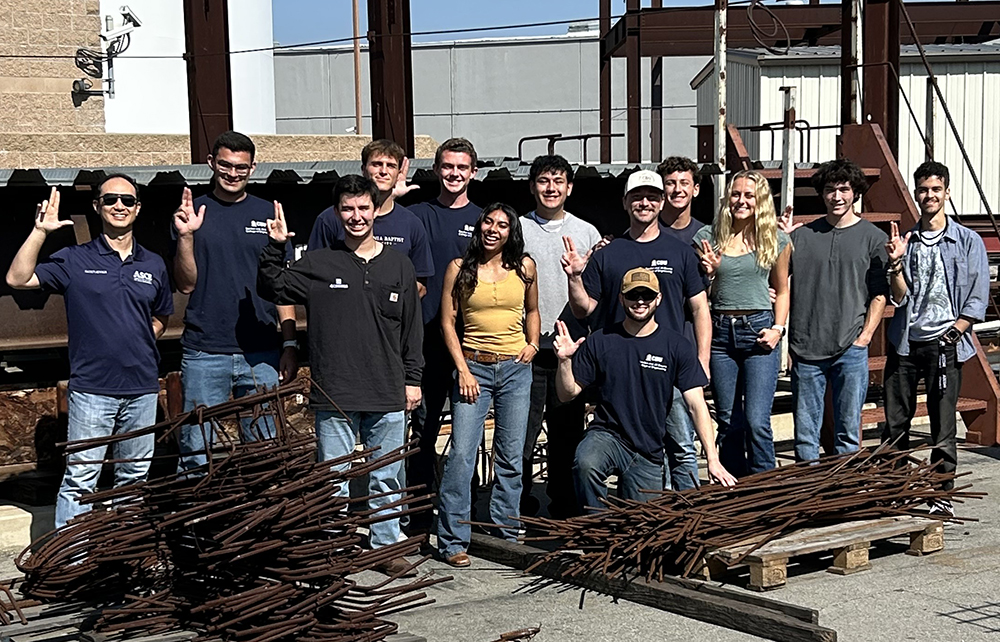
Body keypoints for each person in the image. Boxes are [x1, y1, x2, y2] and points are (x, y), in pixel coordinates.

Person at [257, 175, 423, 576]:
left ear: (375, 210)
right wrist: (276, 246)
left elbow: (411, 329)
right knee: (333, 478)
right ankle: (334, 545)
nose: (356, 216)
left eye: (363, 208)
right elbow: (272, 285)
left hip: (387, 388)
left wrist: (413, 379)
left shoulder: (398, 265)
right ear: (336, 213)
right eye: (347, 209)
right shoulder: (318, 263)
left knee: (387, 477)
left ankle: (385, 547)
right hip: (335, 391)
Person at [6, 176, 172, 528]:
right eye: (110, 199)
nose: (119, 206)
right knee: (81, 482)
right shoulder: (74, 259)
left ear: (137, 208)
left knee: (133, 482)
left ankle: (123, 558)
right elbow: (17, 279)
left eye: (127, 200)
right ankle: (73, 565)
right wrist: (40, 232)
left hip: (142, 390)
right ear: (97, 206)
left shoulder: (153, 264)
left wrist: (140, 339)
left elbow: (162, 314)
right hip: (92, 391)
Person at [562, 170, 710, 491]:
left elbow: (700, 308)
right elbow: (584, 308)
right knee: (626, 448)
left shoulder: (680, 252)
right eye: (637, 197)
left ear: (661, 202)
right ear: (625, 203)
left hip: (669, 368)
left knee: (682, 448)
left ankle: (687, 515)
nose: (644, 203)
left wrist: (702, 359)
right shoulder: (608, 254)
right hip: (621, 370)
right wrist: (575, 278)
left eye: (652, 197)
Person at [553, 268, 737, 511]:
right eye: (633, 295)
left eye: (647, 295)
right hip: (607, 434)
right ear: (621, 298)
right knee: (586, 463)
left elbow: (696, 404)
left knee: (639, 522)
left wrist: (713, 460)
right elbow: (567, 393)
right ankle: (598, 529)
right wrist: (564, 361)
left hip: (648, 447)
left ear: (658, 299)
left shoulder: (676, 346)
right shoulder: (601, 340)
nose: (640, 301)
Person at [171, 131, 298, 473]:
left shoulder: (267, 214)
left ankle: (259, 518)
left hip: (261, 353)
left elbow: (280, 288)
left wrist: (288, 343)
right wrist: (186, 238)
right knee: (198, 449)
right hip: (205, 350)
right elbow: (185, 285)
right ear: (211, 163)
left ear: (253, 168)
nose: (232, 173)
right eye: (225, 165)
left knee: (265, 449)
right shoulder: (194, 212)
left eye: (241, 167)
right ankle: (196, 521)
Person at [437, 204, 540, 568]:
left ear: (511, 232)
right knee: (462, 455)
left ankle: (505, 535)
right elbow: (448, 322)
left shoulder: (524, 267)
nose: (493, 229)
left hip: (515, 368)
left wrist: (533, 343)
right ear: (479, 226)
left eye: (502, 225)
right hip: (474, 368)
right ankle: (452, 540)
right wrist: (462, 370)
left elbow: (531, 309)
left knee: (510, 457)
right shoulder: (459, 269)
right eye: (488, 222)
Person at [883, 161, 988, 516]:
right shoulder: (908, 241)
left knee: (943, 425)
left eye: (935, 189)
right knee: (896, 422)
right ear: (916, 193)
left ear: (946, 192)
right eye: (923, 190)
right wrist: (895, 264)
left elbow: (977, 295)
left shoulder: (967, 240)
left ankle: (941, 494)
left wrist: (955, 331)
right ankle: (895, 490)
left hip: (945, 343)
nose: (929, 195)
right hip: (907, 342)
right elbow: (900, 297)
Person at [779, 158, 889, 461]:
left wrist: (865, 337)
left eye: (843, 189)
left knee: (848, 433)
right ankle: (808, 492)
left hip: (850, 348)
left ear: (855, 192)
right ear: (821, 194)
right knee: (805, 434)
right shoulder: (799, 237)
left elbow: (880, 295)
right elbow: (777, 286)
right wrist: (777, 239)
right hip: (805, 350)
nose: (836, 196)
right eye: (830, 190)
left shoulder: (874, 238)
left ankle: (845, 492)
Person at [519, 154, 602, 518]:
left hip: (570, 350)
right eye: (543, 181)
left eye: (558, 182)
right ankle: (518, 502)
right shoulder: (517, 228)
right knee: (522, 431)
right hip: (528, 348)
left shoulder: (587, 232)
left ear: (569, 187)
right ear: (532, 185)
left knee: (566, 433)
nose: (550, 189)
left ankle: (564, 503)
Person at [406, 138, 482, 533]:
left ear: (473, 172)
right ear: (437, 170)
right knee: (425, 429)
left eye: (462, 167)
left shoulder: (485, 220)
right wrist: (389, 197)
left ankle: (462, 516)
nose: (454, 174)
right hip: (425, 344)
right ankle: (418, 514)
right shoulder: (416, 214)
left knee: (468, 437)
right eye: (448, 167)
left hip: (472, 347)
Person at [694, 171, 791, 476]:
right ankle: (734, 488)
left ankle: (765, 489)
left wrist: (778, 329)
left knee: (757, 420)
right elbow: (700, 294)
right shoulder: (709, 238)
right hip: (721, 331)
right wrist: (709, 274)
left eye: (749, 195)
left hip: (758, 329)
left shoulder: (775, 239)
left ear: (761, 200)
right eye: (736, 194)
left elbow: (783, 289)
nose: (742, 201)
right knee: (728, 420)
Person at [307, 138, 434, 295]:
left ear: (398, 173)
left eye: (391, 166)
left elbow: (420, 284)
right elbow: (312, 274)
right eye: (376, 164)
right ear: (363, 169)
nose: (383, 171)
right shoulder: (331, 219)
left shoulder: (412, 223)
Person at [657, 156, 705, 245]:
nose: (677, 189)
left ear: (695, 190)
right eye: (670, 183)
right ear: (662, 189)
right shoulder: (647, 232)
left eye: (684, 183)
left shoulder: (705, 235)